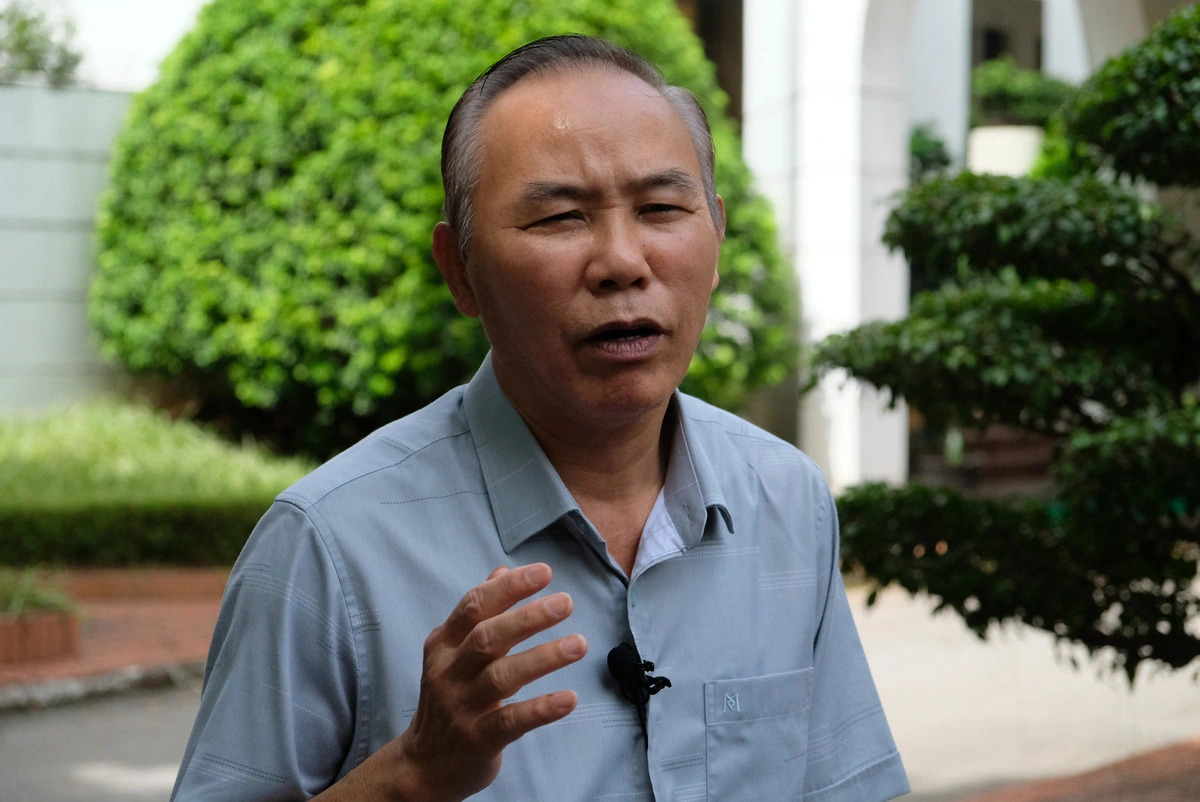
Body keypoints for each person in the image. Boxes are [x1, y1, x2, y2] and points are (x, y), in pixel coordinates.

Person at [171, 34, 909, 801]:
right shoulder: (328, 546)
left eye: (661, 208)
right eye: (560, 218)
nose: (622, 261)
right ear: (460, 271)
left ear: (715, 239)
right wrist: (408, 778)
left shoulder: (784, 499)